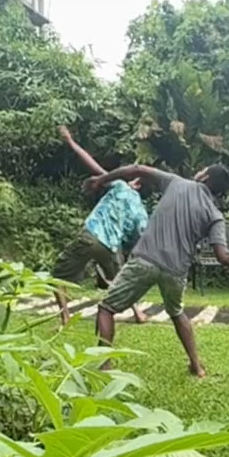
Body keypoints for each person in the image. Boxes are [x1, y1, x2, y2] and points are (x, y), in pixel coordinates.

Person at [89, 163, 229, 378]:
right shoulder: (215, 215)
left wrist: (100, 181)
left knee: (106, 308)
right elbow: (224, 257)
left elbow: (137, 168)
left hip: (145, 260)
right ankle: (197, 366)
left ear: (204, 177)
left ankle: (105, 363)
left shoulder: (175, 182)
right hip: (176, 271)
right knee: (176, 312)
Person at [52, 126, 149, 325]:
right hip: (111, 248)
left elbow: (92, 165)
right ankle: (138, 313)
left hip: (92, 235)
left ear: (136, 184)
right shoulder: (142, 213)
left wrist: (70, 141)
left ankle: (65, 317)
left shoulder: (121, 185)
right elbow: (136, 241)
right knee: (121, 281)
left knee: (57, 275)